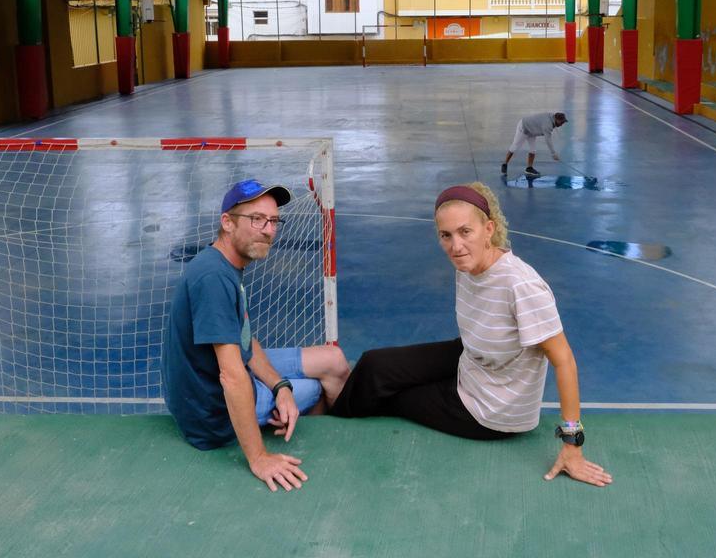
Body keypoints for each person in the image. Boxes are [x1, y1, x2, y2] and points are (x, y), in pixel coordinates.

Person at [330, 182, 612, 487]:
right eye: (446, 235)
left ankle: (329, 414)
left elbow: (565, 361)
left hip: (491, 409)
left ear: (489, 229)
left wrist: (572, 445)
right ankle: (336, 400)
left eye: (466, 232)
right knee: (374, 364)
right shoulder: (466, 265)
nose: (456, 246)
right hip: (476, 358)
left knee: (393, 397)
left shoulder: (521, 286)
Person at [162, 179, 350, 491]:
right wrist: (258, 458)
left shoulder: (224, 264)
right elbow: (232, 375)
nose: (268, 230)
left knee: (334, 360)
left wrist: (280, 385)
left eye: (274, 220)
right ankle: (322, 449)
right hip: (211, 413)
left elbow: (244, 340)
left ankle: (297, 417)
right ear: (227, 223)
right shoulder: (213, 279)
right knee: (318, 387)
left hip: (212, 383)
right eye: (256, 219)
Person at [502, 112, 567, 176]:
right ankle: (505, 163)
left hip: (532, 131)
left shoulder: (552, 117)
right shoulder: (547, 124)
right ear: (556, 119)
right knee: (515, 147)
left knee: (532, 150)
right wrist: (553, 153)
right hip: (524, 127)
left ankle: (529, 168)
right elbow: (548, 140)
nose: (561, 124)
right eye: (561, 122)